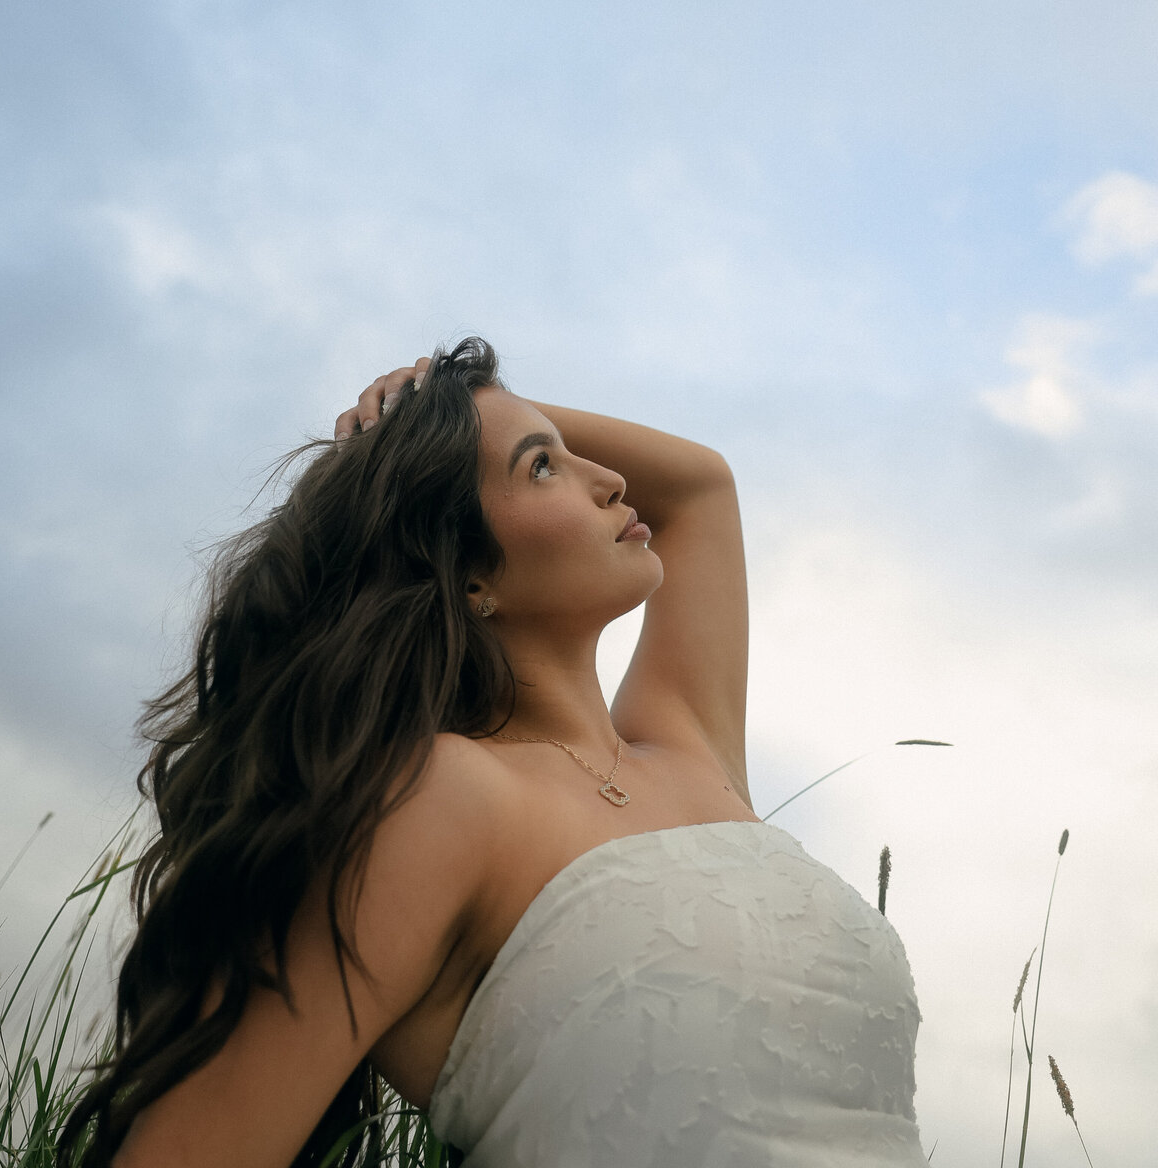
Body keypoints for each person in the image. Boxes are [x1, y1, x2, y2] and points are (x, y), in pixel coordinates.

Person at [59, 336, 929, 1168]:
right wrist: (442, 423)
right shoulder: (441, 797)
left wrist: (454, 404)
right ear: (469, 574)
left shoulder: (690, 747)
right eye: (542, 466)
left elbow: (700, 486)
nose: (611, 479)